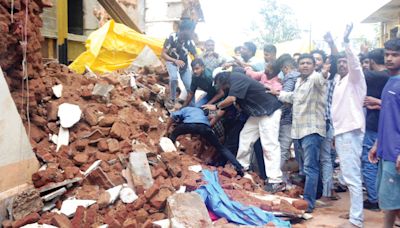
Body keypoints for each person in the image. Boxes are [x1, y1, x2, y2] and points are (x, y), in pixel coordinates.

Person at [207, 71, 284, 192]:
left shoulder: (236, 77)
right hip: (257, 112)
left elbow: (230, 100)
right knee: (245, 137)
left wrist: (216, 107)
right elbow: (227, 106)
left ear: (222, 80)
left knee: (269, 144)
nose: (219, 88)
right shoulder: (232, 86)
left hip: (269, 110)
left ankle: (275, 180)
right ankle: (242, 168)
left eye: (218, 85)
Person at [276, 54, 328, 213]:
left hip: (312, 130)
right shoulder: (299, 81)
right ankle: (312, 196)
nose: (305, 65)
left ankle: (309, 203)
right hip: (298, 131)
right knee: (306, 168)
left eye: (308, 63)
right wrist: (275, 92)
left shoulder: (316, 79)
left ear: (314, 66)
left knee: (311, 168)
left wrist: (324, 72)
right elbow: (293, 97)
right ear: (298, 66)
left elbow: (322, 78)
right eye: (302, 63)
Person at [331, 24, 366, 228]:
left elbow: (355, 65)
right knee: (348, 176)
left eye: (345, 61)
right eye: (340, 62)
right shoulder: (339, 80)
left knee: (352, 177)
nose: (343, 64)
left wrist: (346, 43)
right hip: (342, 132)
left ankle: (356, 220)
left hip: (351, 131)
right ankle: (354, 215)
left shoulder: (355, 79)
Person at [369, 37, 400, 228]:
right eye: (387, 54)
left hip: (396, 152)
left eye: (395, 55)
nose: (389, 58)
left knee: (396, 204)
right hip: (386, 150)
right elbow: (388, 118)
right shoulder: (390, 81)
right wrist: (377, 144)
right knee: (388, 201)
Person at [166, 106, 244, 175]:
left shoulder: (185, 109)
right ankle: (239, 167)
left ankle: (169, 155)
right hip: (205, 127)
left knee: (173, 135)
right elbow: (202, 138)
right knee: (221, 148)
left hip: (189, 124)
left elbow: (173, 116)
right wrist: (198, 155)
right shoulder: (201, 112)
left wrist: (166, 130)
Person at [362, 48, 389, 211]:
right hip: (386, 127)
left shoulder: (374, 76)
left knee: (369, 163)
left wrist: (378, 102)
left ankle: (374, 199)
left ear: (371, 61)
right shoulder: (391, 77)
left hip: (374, 126)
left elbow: (355, 73)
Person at [162, 19, 197, 108]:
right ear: (184, 30)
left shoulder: (190, 42)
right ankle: (172, 99)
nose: (192, 33)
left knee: (190, 87)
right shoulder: (172, 37)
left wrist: (196, 67)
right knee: (173, 78)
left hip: (183, 65)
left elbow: (196, 56)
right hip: (171, 61)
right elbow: (163, 54)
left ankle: (193, 107)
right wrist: (175, 61)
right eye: (191, 31)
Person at [275, 58, 300, 169]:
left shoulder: (290, 77)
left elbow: (286, 99)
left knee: (283, 148)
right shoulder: (301, 77)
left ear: (286, 68)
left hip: (288, 119)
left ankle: (277, 176)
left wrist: (281, 115)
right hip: (299, 119)